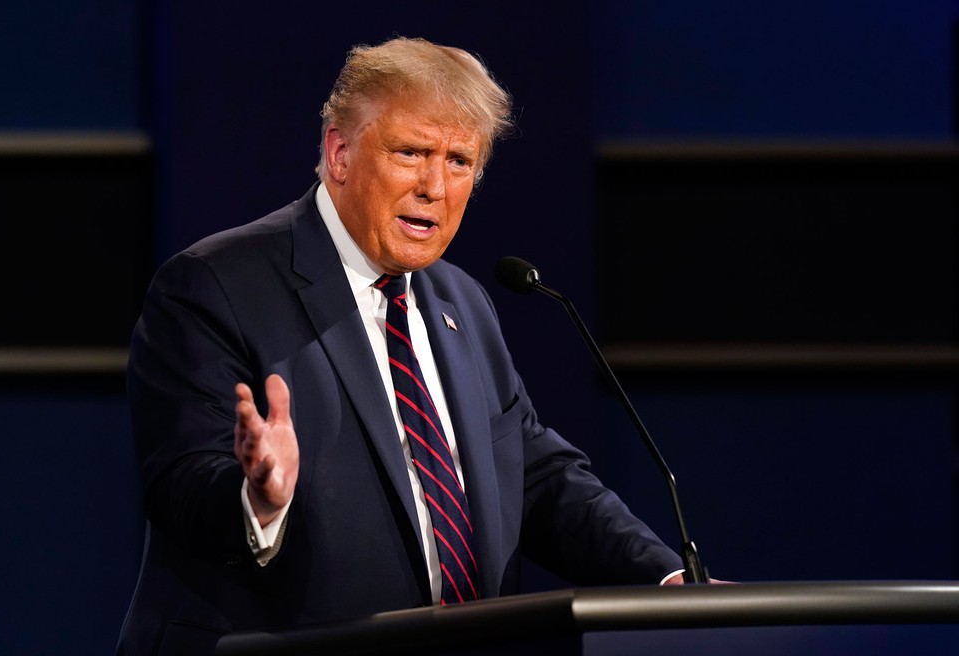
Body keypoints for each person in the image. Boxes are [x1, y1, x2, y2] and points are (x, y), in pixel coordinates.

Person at [116, 36, 685, 656]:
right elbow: (180, 482)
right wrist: (258, 498)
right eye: (411, 153)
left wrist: (667, 580)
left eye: (459, 161)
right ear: (339, 152)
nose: (435, 186)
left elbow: (536, 477)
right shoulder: (211, 286)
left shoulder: (461, 302)